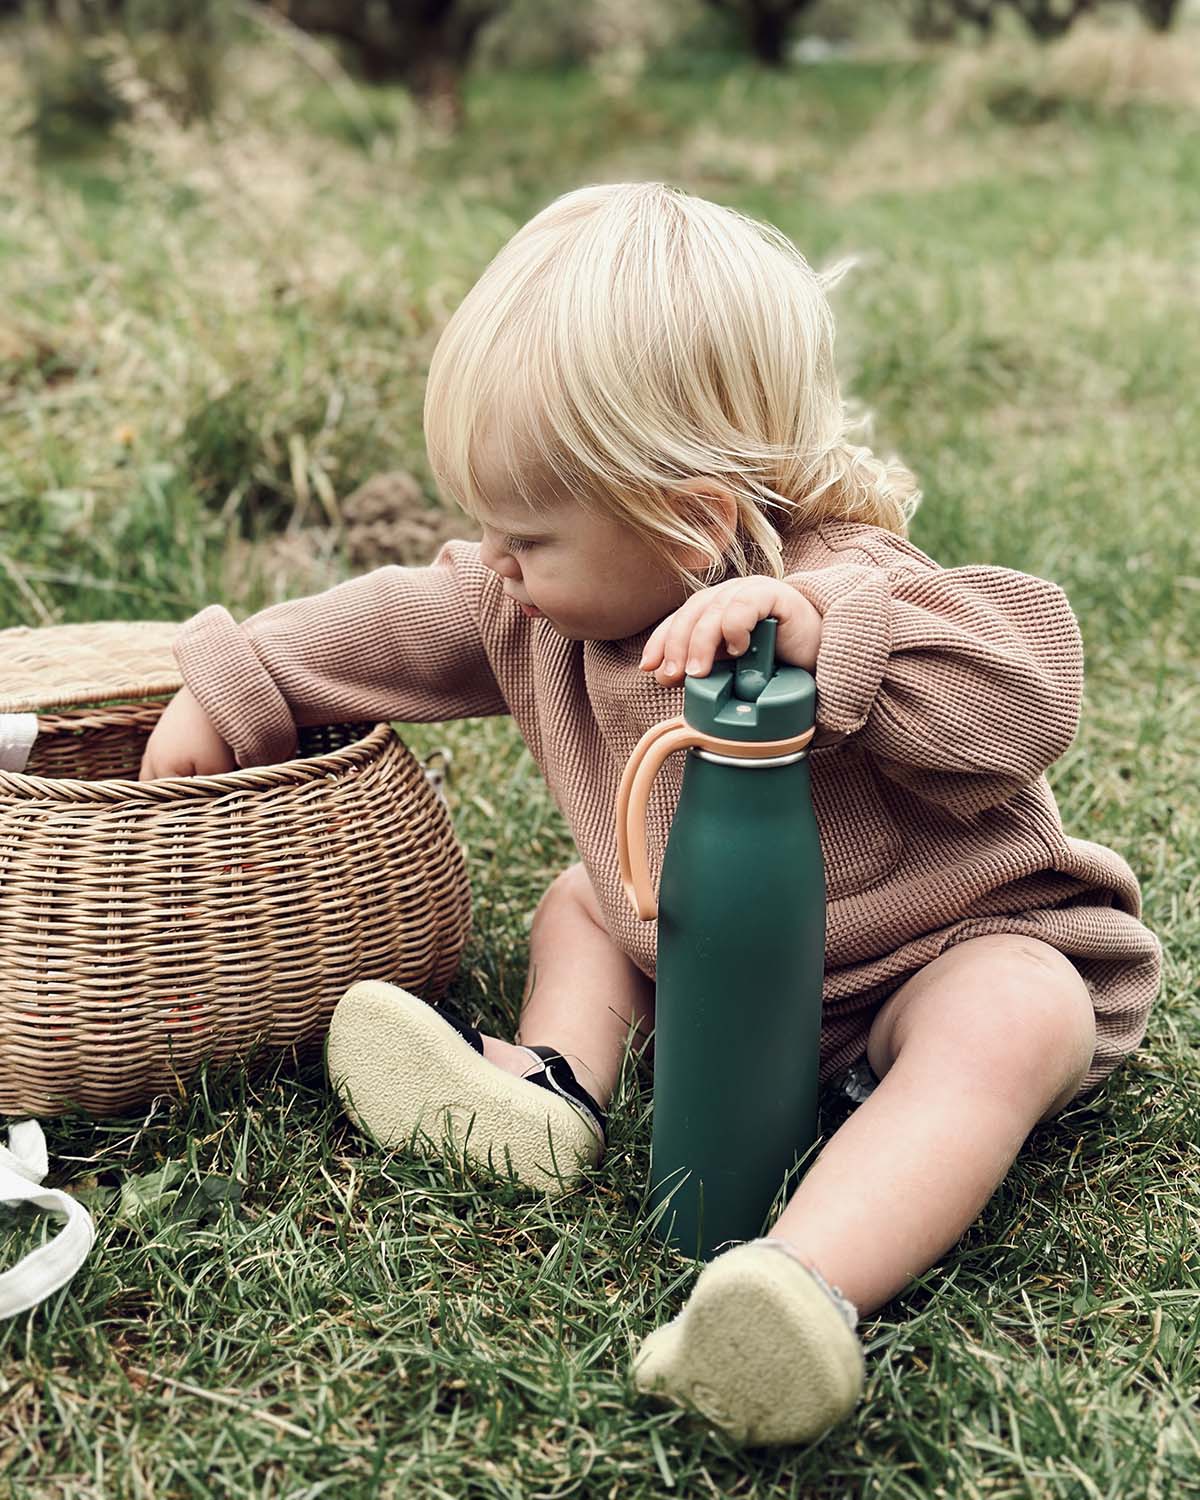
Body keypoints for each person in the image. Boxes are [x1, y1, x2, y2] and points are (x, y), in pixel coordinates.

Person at [140, 182, 1161, 1447]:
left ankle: (798, 1286)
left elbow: (1029, 695)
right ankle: (547, 1091)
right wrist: (236, 677)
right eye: (487, 529)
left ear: (690, 519)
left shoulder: (848, 585)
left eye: (526, 536)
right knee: (584, 902)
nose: (495, 565)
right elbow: (393, 623)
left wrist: (831, 634)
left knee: (1010, 1014)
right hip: (707, 965)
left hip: (929, 962)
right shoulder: (533, 602)